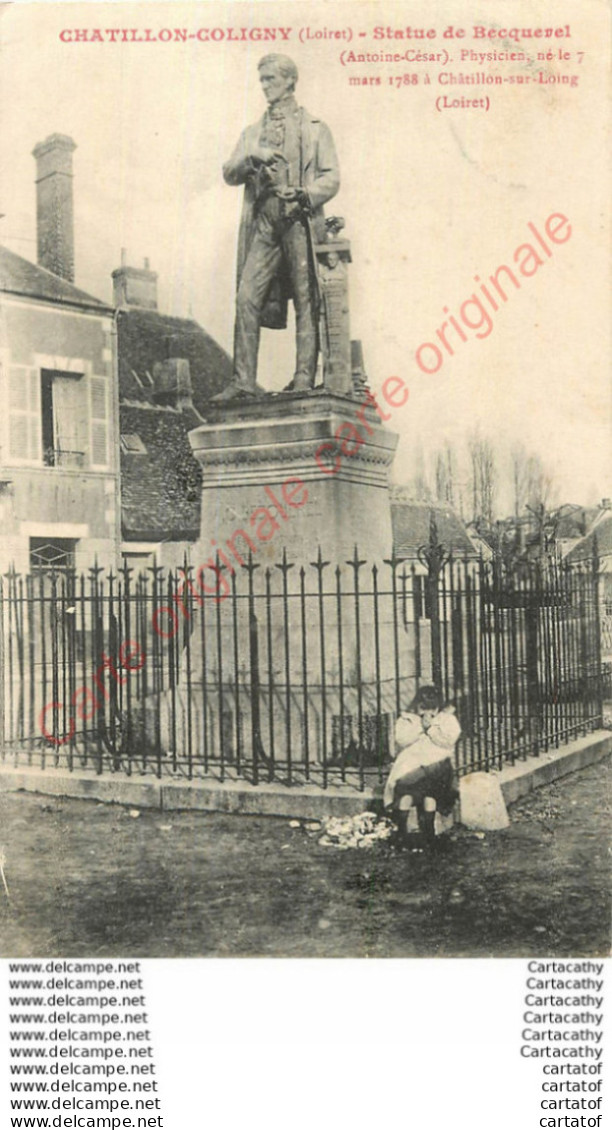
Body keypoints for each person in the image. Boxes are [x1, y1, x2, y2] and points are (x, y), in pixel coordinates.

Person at [214, 54, 340, 401]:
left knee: (305, 300)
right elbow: (229, 172)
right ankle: (242, 381)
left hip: (299, 219)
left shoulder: (315, 128)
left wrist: (305, 193)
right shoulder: (252, 133)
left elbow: (331, 178)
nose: (265, 86)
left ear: (289, 81)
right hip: (266, 221)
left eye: (270, 79)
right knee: (246, 298)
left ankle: (302, 378)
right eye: (262, 80)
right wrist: (253, 156)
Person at [383, 686, 461, 845]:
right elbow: (402, 740)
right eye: (423, 708)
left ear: (438, 707)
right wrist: (420, 727)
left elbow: (448, 742)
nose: (427, 713)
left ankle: (429, 832)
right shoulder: (408, 719)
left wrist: (430, 728)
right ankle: (402, 831)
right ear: (417, 705)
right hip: (412, 768)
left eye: (432, 708)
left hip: (435, 769)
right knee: (407, 791)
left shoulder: (446, 720)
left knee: (430, 791)